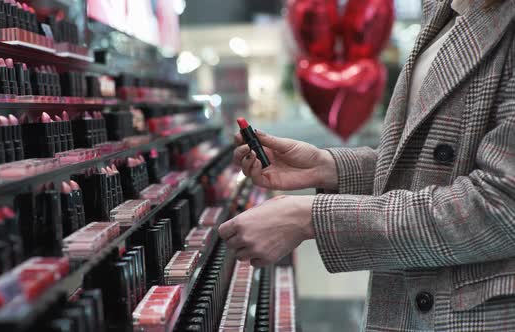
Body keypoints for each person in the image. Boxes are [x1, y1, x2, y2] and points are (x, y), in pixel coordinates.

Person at [218, 0, 515, 330]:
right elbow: (442, 160)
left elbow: (502, 204)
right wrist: (329, 166)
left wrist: (312, 217)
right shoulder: (445, 8)